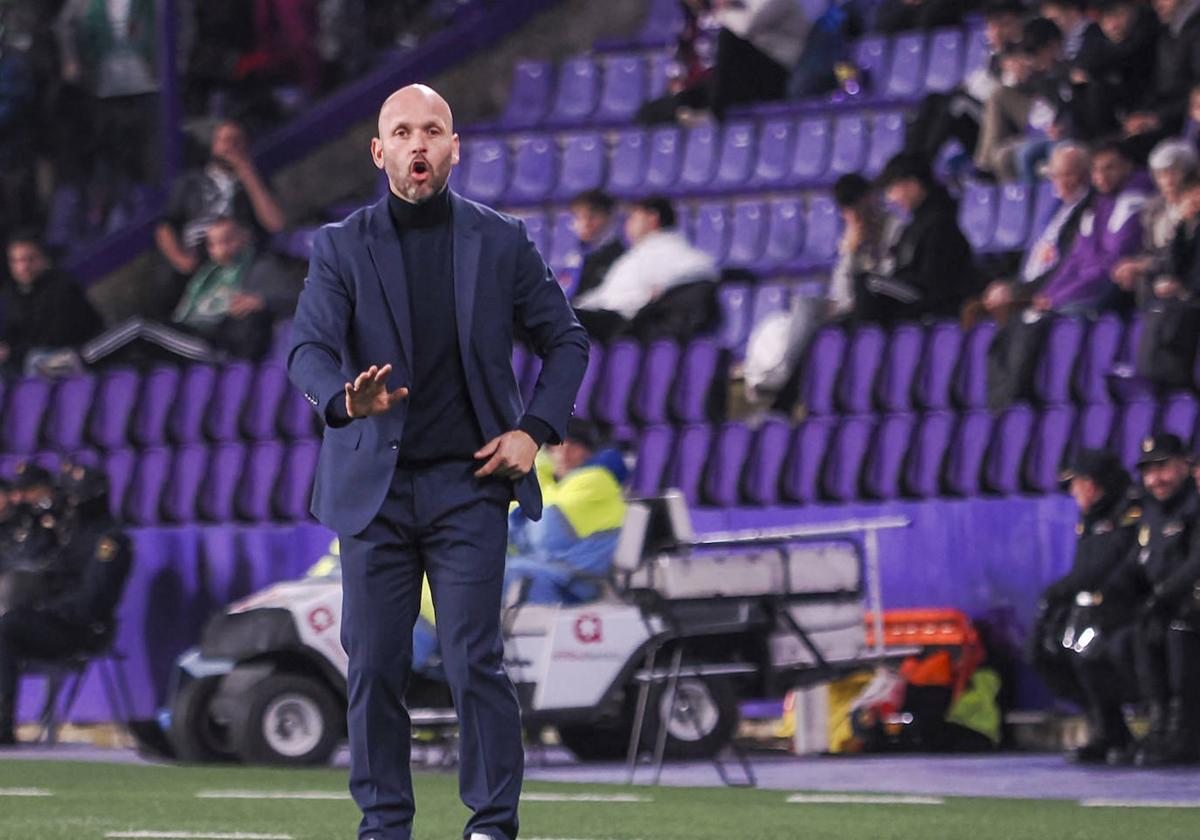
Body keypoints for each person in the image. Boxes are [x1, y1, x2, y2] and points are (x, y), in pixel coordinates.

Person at [287, 84, 588, 840]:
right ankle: (384, 824)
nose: (417, 144)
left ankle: (492, 824)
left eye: (432, 130)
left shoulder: (502, 240)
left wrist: (534, 430)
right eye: (402, 131)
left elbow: (567, 341)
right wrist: (342, 401)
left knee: (471, 659)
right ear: (378, 150)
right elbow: (308, 351)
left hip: (469, 483)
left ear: (455, 146)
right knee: (375, 665)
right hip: (374, 491)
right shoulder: (339, 246)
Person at [0, 460, 132, 747]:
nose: (69, 502)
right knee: (9, 623)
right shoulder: (72, 534)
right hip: (55, 621)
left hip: (81, 630)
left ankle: (2, 726)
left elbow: (92, 601)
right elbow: (50, 577)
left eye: (74, 496)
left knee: (6, 629)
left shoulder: (109, 541)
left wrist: (45, 610)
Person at [1032, 449, 1142, 764]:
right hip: (1086, 604)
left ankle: (1116, 732)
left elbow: (1108, 569)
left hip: (1121, 605)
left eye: (1077, 483)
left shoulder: (1126, 511)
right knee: (1041, 649)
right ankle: (1102, 724)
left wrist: (1061, 592)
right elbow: (1083, 572)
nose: (1074, 491)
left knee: (1089, 652)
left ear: (1092, 483)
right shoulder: (1091, 516)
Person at [81, 216, 301, 365]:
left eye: (227, 241)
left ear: (245, 237)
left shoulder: (260, 267)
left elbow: (298, 301)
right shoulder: (207, 275)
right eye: (213, 244)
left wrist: (262, 301)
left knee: (141, 327)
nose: (219, 249)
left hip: (220, 346)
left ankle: (81, 360)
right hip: (193, 335)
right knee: (134, 352)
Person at [1110, 434, 1200, 766]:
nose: (1155, 479)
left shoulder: (1194, 505)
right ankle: (1159, 728)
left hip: (1188, 608)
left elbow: (1195, 563)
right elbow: (1136, 564)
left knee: (1177, 633)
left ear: (1184, 465)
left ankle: (1185, 733)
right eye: (1148, 471)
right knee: (1131, 638)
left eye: (1163, 468)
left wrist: (1161, 597)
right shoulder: (1151, 512)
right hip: (1163, 608)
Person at [155, 120, 286, 315]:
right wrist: (180, 258)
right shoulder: (190, 182)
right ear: (214, 145)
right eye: (224, 140)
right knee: (167, 281)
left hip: (238, 257)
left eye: (236, 141)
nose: (229, 146)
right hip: (196, 254)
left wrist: (247, 173)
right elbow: (165, 226)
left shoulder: (257, 183)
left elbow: (275, 224)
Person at [967, 142, 1093, 328]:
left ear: (1085, 175)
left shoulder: (1088, 210)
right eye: (1055, 175)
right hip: (1028, 288)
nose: (1060, 181)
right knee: (973, 310)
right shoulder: (1057, 210)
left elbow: (1066, 263)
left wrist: (1017, 291)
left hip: (1047, 291)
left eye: (1068, 174)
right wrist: (1008, 286)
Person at [504, 418, 628, 605]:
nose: (563, 455)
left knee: (496, 574)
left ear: (589, 452)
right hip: (552, 572)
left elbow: (545, 536)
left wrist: (518, 521)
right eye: (556, 448)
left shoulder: (598, 480)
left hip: (576, 583)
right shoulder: (556, 486)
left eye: (573, 448)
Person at [853, 152, 979, 325]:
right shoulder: (915, 224)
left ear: (913, 184)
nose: (891, 198)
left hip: (930, 299)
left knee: (867, 282)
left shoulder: (939, 223)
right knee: (840, 323)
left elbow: (934, 281)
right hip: (914, 292)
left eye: (893, 188)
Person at [573, 195, 718, 343]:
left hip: (626, 323)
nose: (627, 226)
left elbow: (699, 272)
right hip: (621, 319)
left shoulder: (664, 249)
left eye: (633, 218)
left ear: (652, 218)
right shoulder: (644, 251)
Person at [902, 0, 1026, 165]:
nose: (996, 31)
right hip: (980, 116)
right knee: (933, 100)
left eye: (1003, 25)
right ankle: (910, 160)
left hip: (1003, 122)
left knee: (957, 104)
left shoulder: (1024, 53)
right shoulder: (994, 55)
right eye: (992, 26)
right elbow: (981, 81)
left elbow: (1009, 92)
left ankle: (923, 164)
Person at [1032, 140, 1148, 313]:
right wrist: (1048, 293)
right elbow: (1075, 258)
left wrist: (1057, 298)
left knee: (1060, 318)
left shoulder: (1134, 202)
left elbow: (1112, 264)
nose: (1101, 176)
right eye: (1096, 169)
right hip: (1080, 290)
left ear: (1127, 167)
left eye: (1109, 168)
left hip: (1107, 293)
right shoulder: (1097, 204)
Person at [0, 230, 104, 374]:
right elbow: (10, 332)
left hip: (77, 354)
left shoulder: (63, 286)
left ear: (43, 259)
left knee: (36, 360)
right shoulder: (10, 293)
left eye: (29, 259)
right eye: (16, 261)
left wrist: (13, 352)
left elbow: (56, 337)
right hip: (27, 358)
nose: (23, 267)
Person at [567, 189, 624, 301]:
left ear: (609, 218)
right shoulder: (575, 254)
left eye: (592, 217)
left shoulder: (618, 256)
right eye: (579, 218)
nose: (585, 224)